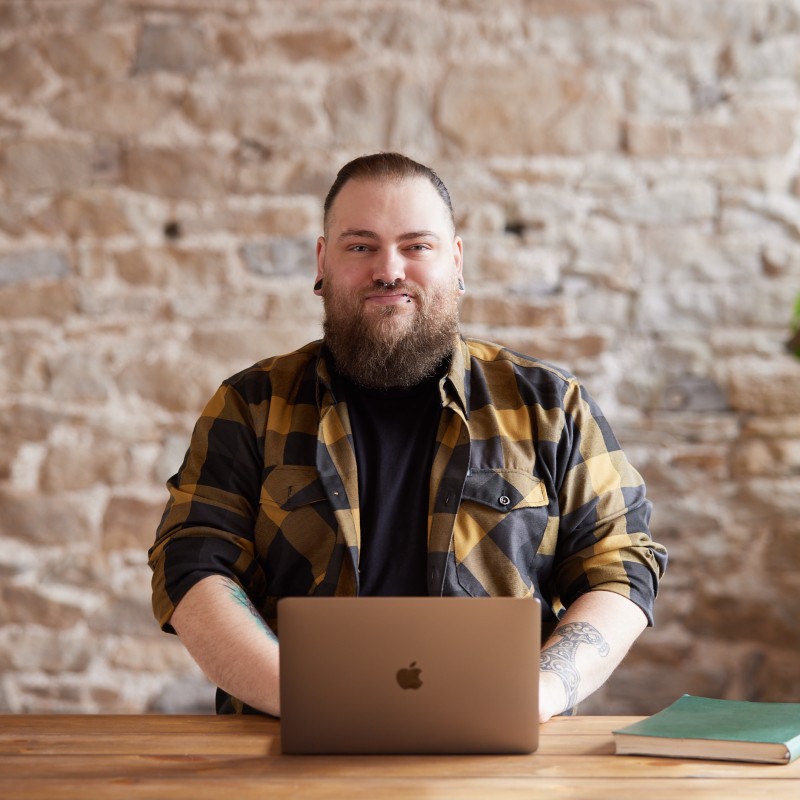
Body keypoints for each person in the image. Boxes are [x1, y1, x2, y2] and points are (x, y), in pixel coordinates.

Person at [148, 152, 667, 722]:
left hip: (498, 761)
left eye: (417, 246)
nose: (389, 269)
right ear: (323, 261)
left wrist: (535, 695)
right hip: (286, 746)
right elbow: (192, 563)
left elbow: (619, 565)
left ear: (457, 261)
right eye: (360, 246)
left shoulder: (551, 406)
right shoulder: (249, 406)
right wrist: (313, 702)